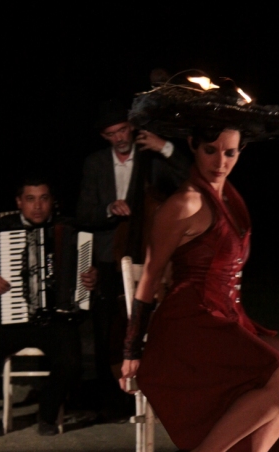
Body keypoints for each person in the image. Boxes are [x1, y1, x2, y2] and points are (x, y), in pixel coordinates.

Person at [120, 78, 279, 452]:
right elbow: (150, 277)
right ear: (193, 147)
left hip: (225, 321)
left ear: (240, 152)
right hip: (188, 327)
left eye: (230, 152)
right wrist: (132, 349)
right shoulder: (184, 203)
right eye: (211, 150)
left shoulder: (229, 198)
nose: (220, 161)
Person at [0, 178, 97, 437]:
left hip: (56, 321)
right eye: (30, 199)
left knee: (71, 361)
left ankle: (47, 414)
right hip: (15, 319)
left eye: (44, 198)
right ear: (19, 202)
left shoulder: (69, 230)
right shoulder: (2, 230)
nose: (38, 206)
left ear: (52, 202)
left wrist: (91, 279)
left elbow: (88, 272)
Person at [77, 99, 190, 414]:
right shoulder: (96, 164)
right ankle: (110, 400)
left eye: (123, 130)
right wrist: (108, 208)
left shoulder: (151, 158)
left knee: (153, 324)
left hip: (150, 252)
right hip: (109, 256)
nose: (119, 138)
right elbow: (83, 213)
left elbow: (190, 181)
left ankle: (158, 389)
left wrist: (165, 147)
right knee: (106, 328)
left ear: (132, 127)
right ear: (104, 137)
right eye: (111, 134)